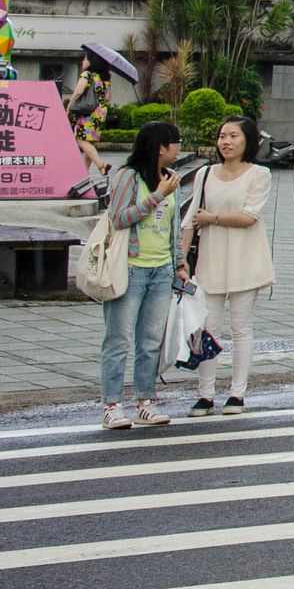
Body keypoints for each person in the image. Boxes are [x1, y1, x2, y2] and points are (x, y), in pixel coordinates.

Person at [96, 120, 186, 429]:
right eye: (176, 142)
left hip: (161, 270)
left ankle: (145, 402)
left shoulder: (171, 179)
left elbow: (174, 228)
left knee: (150, 341)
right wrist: (157, 196)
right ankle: (111, 404)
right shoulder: (128, 177)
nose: (179, 147)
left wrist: (180, 264)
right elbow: (119, 219)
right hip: (130, 268)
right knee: (118, 340)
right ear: (161, 147)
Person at [183, 113, 273, 415]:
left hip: (245, 260)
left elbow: (249, 217)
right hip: (209, 260)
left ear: (247, 140)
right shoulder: (205, 174)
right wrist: (182, 260)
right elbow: (190, 219)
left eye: (234, 136)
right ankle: (205, 394)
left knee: (240, 329)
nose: (226, 142)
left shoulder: (259, 174)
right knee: (207, 329)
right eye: (223, 136)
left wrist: (214, 219)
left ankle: (237, 394)